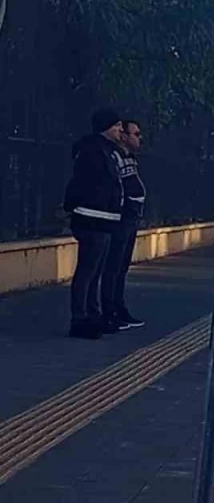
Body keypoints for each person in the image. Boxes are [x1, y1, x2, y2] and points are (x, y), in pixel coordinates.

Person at [62, 108, 126, 340]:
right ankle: (81, 319)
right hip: (91, 218)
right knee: (87, 271)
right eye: (117, 126)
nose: (121, 130)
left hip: (105, 219)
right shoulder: (92, 150)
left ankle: (93, 316)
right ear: (106, 127)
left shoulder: (108, 151)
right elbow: (84, 183)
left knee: (94, 271)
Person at [100, 120, 146, 331]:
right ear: (125, 136)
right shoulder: (115, 156)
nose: (139, 137)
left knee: (122, 267)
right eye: (135, 133)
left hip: (132, 217)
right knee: (113, 266)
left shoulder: (130, 157)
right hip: (122, 218)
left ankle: (119, 308)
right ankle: (110, 311)